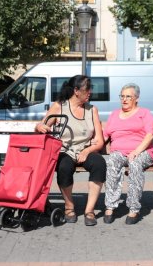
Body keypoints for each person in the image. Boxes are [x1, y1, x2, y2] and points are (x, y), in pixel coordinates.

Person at [35, 75, 106, 226]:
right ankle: (69, 206)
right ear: (76, 91)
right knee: (64, 166)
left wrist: (86, 152)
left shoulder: (92, 110)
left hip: (86, 149)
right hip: (64, 149)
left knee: (99, 164)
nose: (90, 93)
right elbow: (42, 125)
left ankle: (89, 210)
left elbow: (99, 141)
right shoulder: (59, 106)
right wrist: (40, 126)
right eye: (87, 89)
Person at [103, 83, 153, 225]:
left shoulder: (144, 113)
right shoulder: (114, 114)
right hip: (119, 152)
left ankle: (134, 208)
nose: (124, 99)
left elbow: (150, 135)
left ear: (136, 98)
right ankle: (110, 206)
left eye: (128, 96)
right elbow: (105, 134)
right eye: (122, 96)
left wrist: (136, 151)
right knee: (112, 160)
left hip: (142, 152)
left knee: (135, 163)